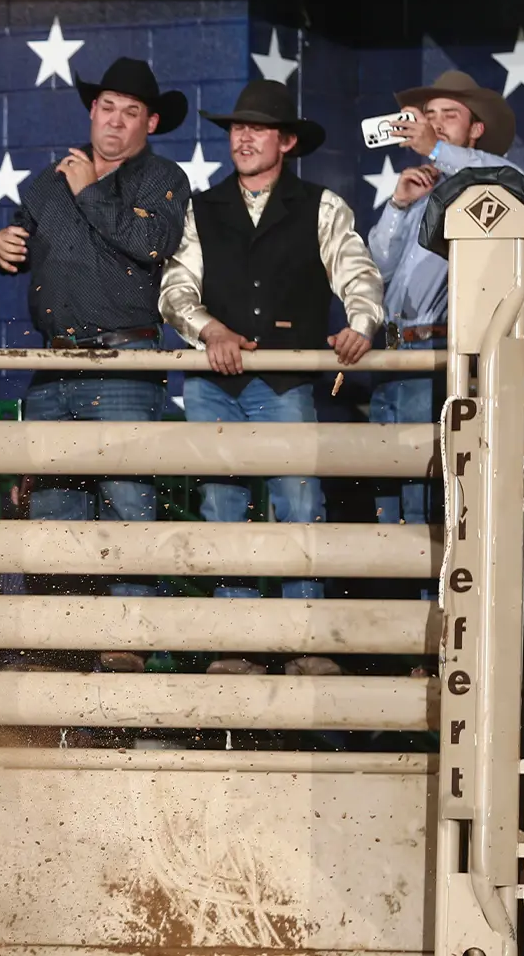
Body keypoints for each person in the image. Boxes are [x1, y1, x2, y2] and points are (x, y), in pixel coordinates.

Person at [158, 81, 384, 657]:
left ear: (285, 141)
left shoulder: (322, 205)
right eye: (238, 128)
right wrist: (211, 329)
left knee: (299, 503)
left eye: (257, 128)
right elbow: (176, 287)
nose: (244, 138)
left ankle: (306, 643)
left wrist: (361, 322)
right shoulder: (201, 208)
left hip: (285, 382)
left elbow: (356, 269)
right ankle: (237, 645)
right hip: (213, 384)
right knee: (221, 509)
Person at [0, 57, 190, 653]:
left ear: (150, 122)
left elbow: (152, 243)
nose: (115, 123)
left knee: (129, 502)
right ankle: (60, 647)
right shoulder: (50, 180)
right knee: (53, 511)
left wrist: (90, 190)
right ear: (91, 110)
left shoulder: (163, 178)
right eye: (107, 108)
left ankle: (125, 645)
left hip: (125, 364)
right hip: (51, 368)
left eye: (131, 113)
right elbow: (20, 240)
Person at [368, 70, 517, 530]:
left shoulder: (492, 183)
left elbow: (518, 182)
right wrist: (397, 204)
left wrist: (435, 148)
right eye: (428, 115)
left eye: (449, 115)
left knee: (425, 495)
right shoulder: (415, 190)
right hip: (390, 353)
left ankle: (429, 601)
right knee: (384, 494)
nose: (434, 122)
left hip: (438, 354)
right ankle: (389, 601)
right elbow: (376, 270)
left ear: (475, 130)